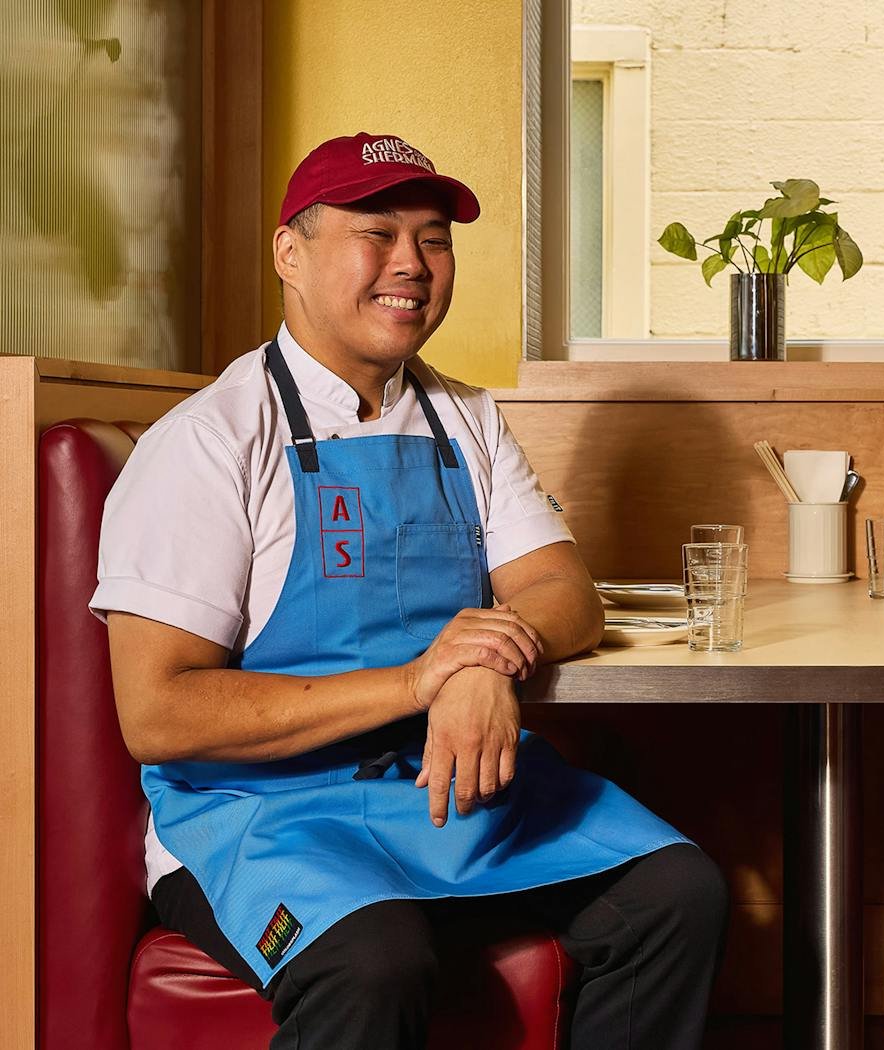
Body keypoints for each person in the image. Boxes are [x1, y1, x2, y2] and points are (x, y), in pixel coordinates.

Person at [91, 132, 728, 1050]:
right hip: (259, 819)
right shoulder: (207, 442)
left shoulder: (464, 418)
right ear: (290, 254)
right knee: (374, 962)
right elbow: (156, 712)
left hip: (451, 789)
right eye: (376, 233)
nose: (412, 264)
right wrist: (423, 680)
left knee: (677, 895)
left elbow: (564, 590)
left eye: (434, 239)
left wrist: (484, 664)